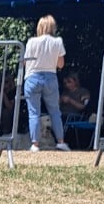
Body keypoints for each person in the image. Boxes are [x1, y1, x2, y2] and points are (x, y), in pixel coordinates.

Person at [21, 14, 68, 151]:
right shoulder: (58, 41)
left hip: (32, 77)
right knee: (55, 111)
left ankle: (35, 144)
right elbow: (60, 64)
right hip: (50, 77)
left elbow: (25, 62)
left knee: (34, 112)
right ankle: (60, 141)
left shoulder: (31, 42)